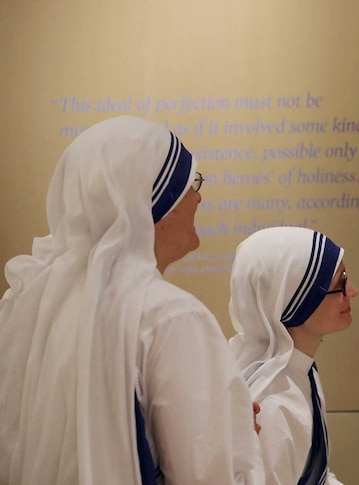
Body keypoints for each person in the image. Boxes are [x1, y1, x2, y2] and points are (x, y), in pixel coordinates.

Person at [0, 115, 263, 484]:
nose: (199, 196)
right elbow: (203, 476)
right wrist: (229, 436)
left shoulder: (27, 302)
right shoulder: (170, 316)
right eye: (191, 183)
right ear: (152, 198)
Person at [229, 226, 358, 485]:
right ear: (296, 300)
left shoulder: (298, 370)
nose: (352, 290)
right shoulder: (271, 404)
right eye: (340, 283)